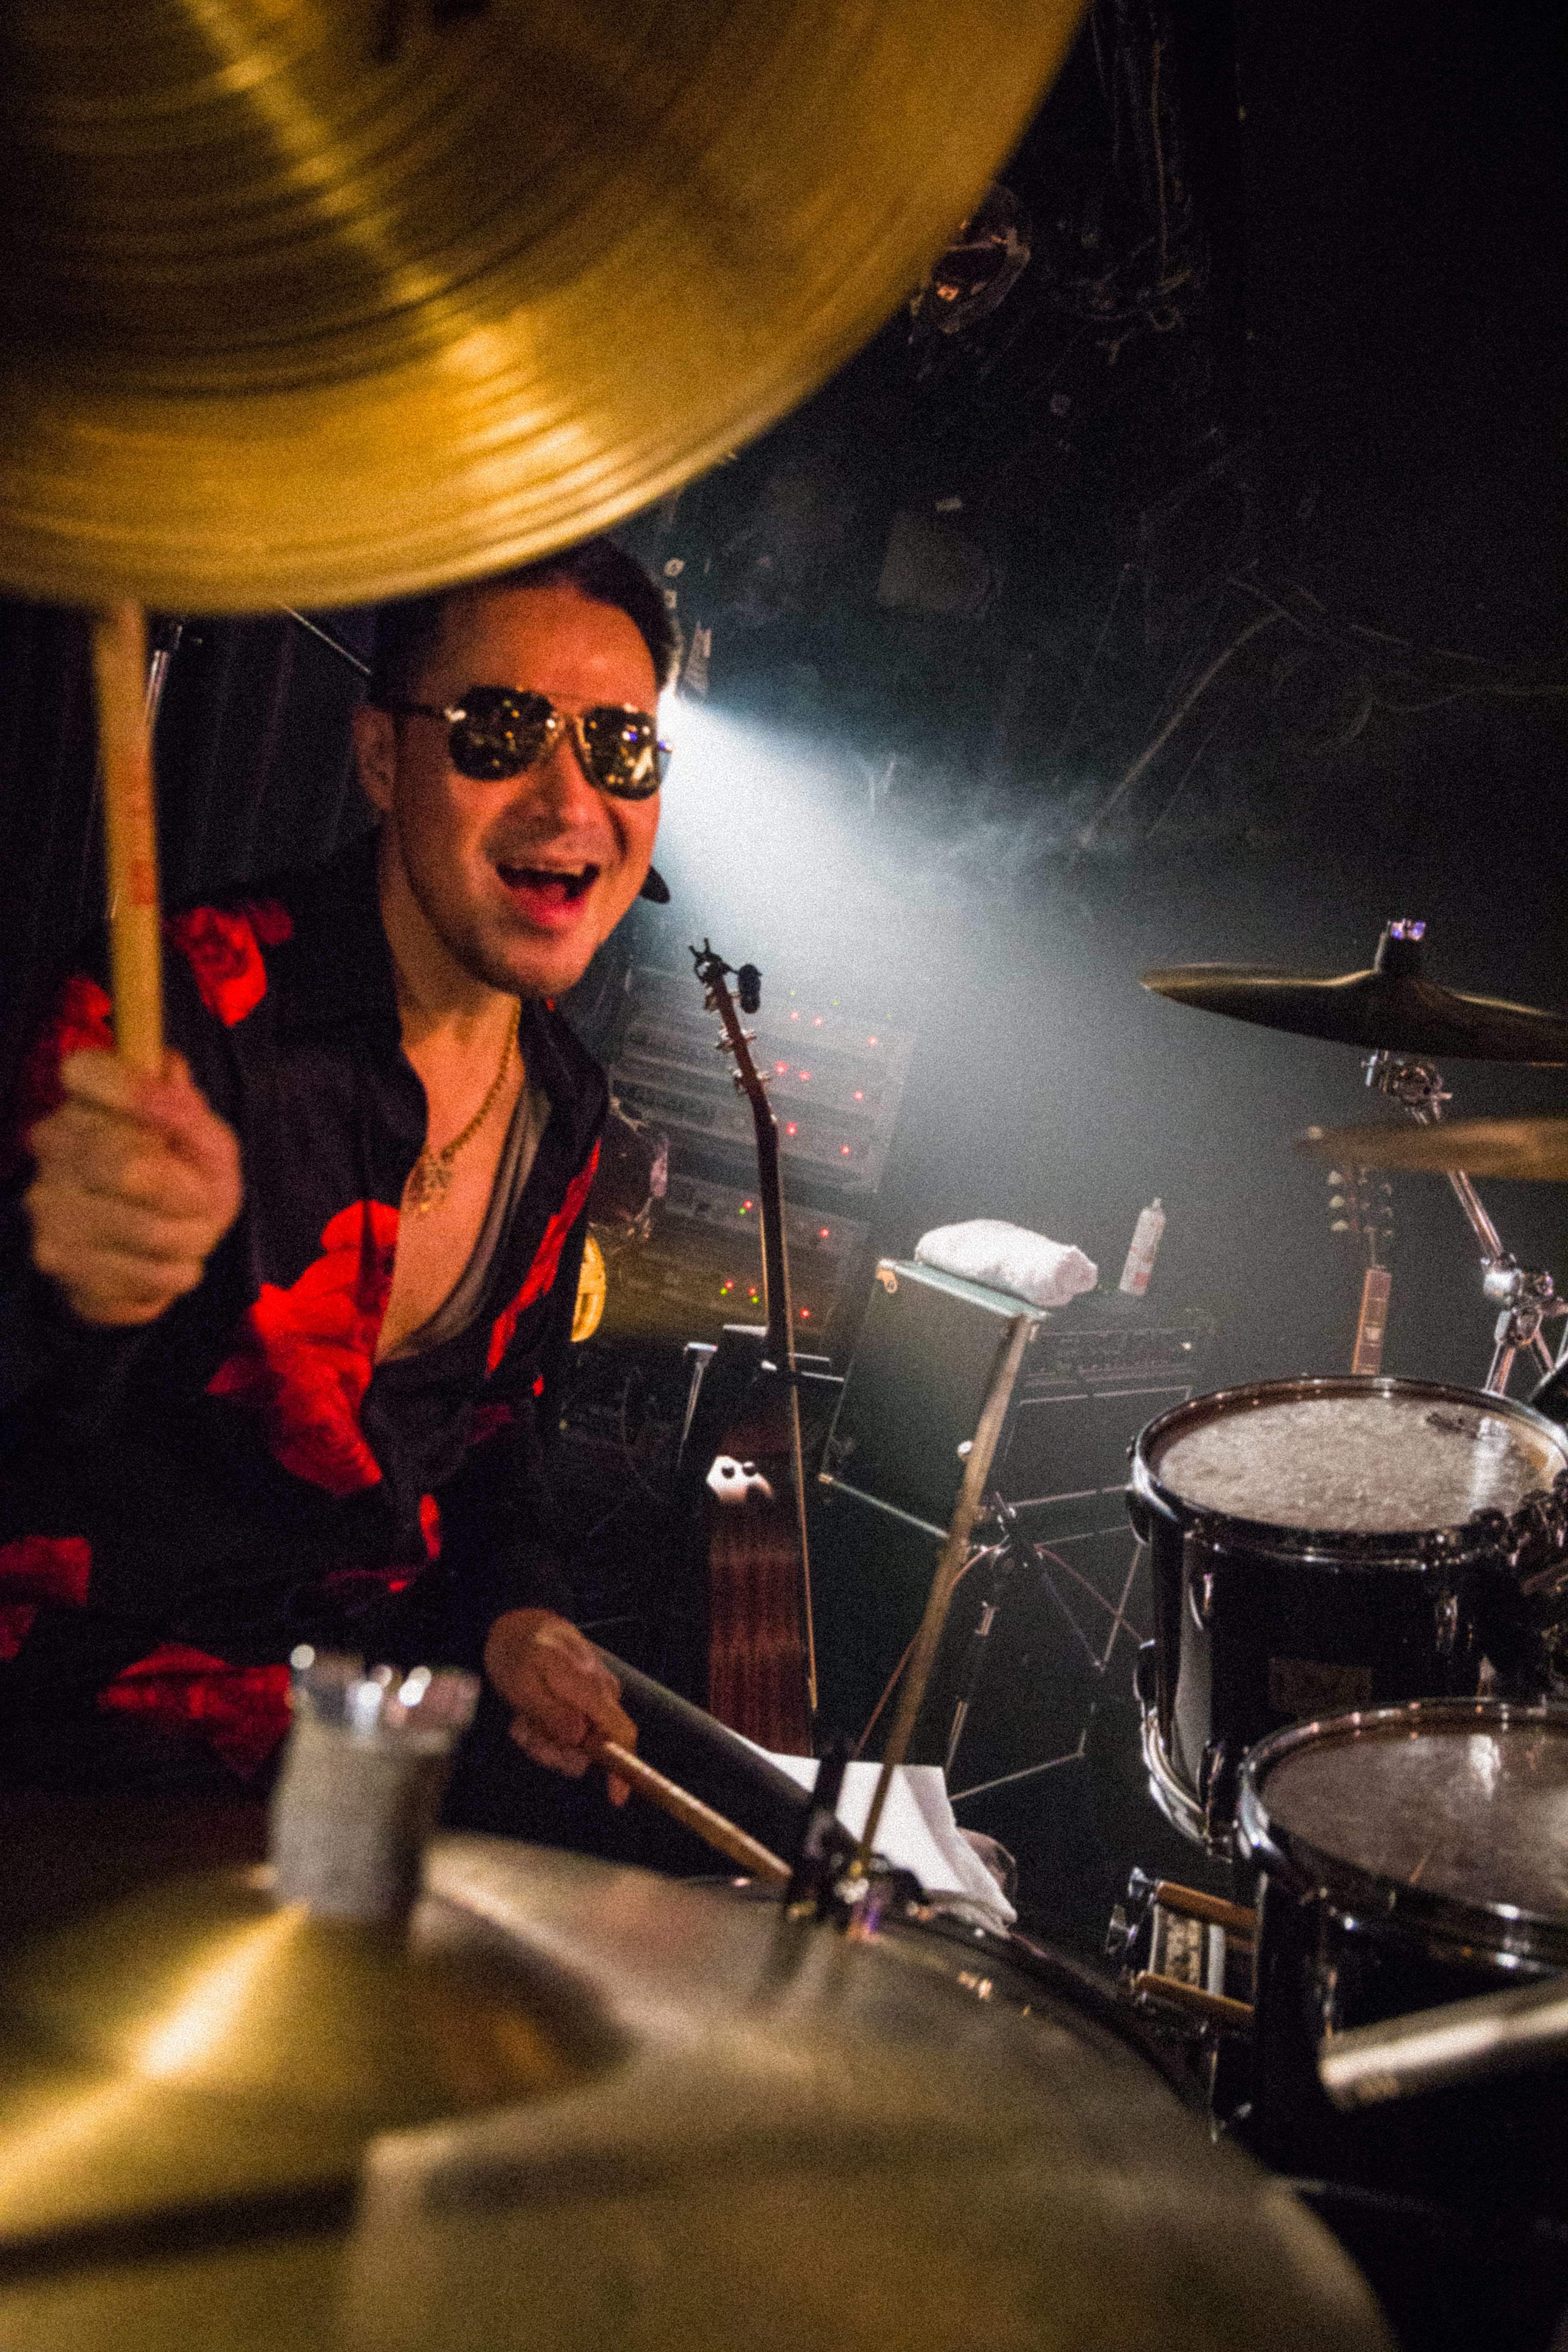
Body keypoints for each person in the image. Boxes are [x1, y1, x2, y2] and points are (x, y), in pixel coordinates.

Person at [0, 537, 674, 1830]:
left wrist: (519, 1613)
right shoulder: (180, 1017)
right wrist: (59, 1287)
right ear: (380, 758)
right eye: (501, 731)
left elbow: (494, 1437)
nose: (570, 800)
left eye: (620, 745)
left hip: (343, 1762)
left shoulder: (565, 1102)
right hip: (66, 1757)